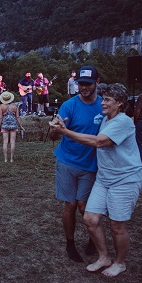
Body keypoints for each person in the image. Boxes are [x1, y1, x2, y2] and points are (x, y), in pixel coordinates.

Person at [50, 83, 142, 277]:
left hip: (124, 180)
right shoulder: (107, 119)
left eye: (108, 99)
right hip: (104, 178)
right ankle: (104, 257)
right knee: (90, 219)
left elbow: (99, 142)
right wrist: (60, 125)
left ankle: (120, 262)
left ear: (120, 103)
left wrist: (65, 132)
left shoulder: (123, 121)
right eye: (103, 98)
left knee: (117, 226)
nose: (103, 102)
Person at [48, 65, 103, 263]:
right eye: (81, 84)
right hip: (67, 161)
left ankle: (92, 238)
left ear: (97, 82)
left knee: (84, 205)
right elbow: (55, 135)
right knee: (70, 204)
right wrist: (55, 128)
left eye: (88, 84)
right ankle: (70, 243)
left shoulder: (103, 106)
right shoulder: (69, 105)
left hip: (90, 164)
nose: (84, 87)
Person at [0, 92, 24, 163]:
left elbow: (0, 118)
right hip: (13, 125)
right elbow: (18, 117)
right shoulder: (15, 106)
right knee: (12, 142)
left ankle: (5, 159)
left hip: (4, 125)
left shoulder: (1, 106)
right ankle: (11, 159)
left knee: (5, 142)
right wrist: (21, 126)